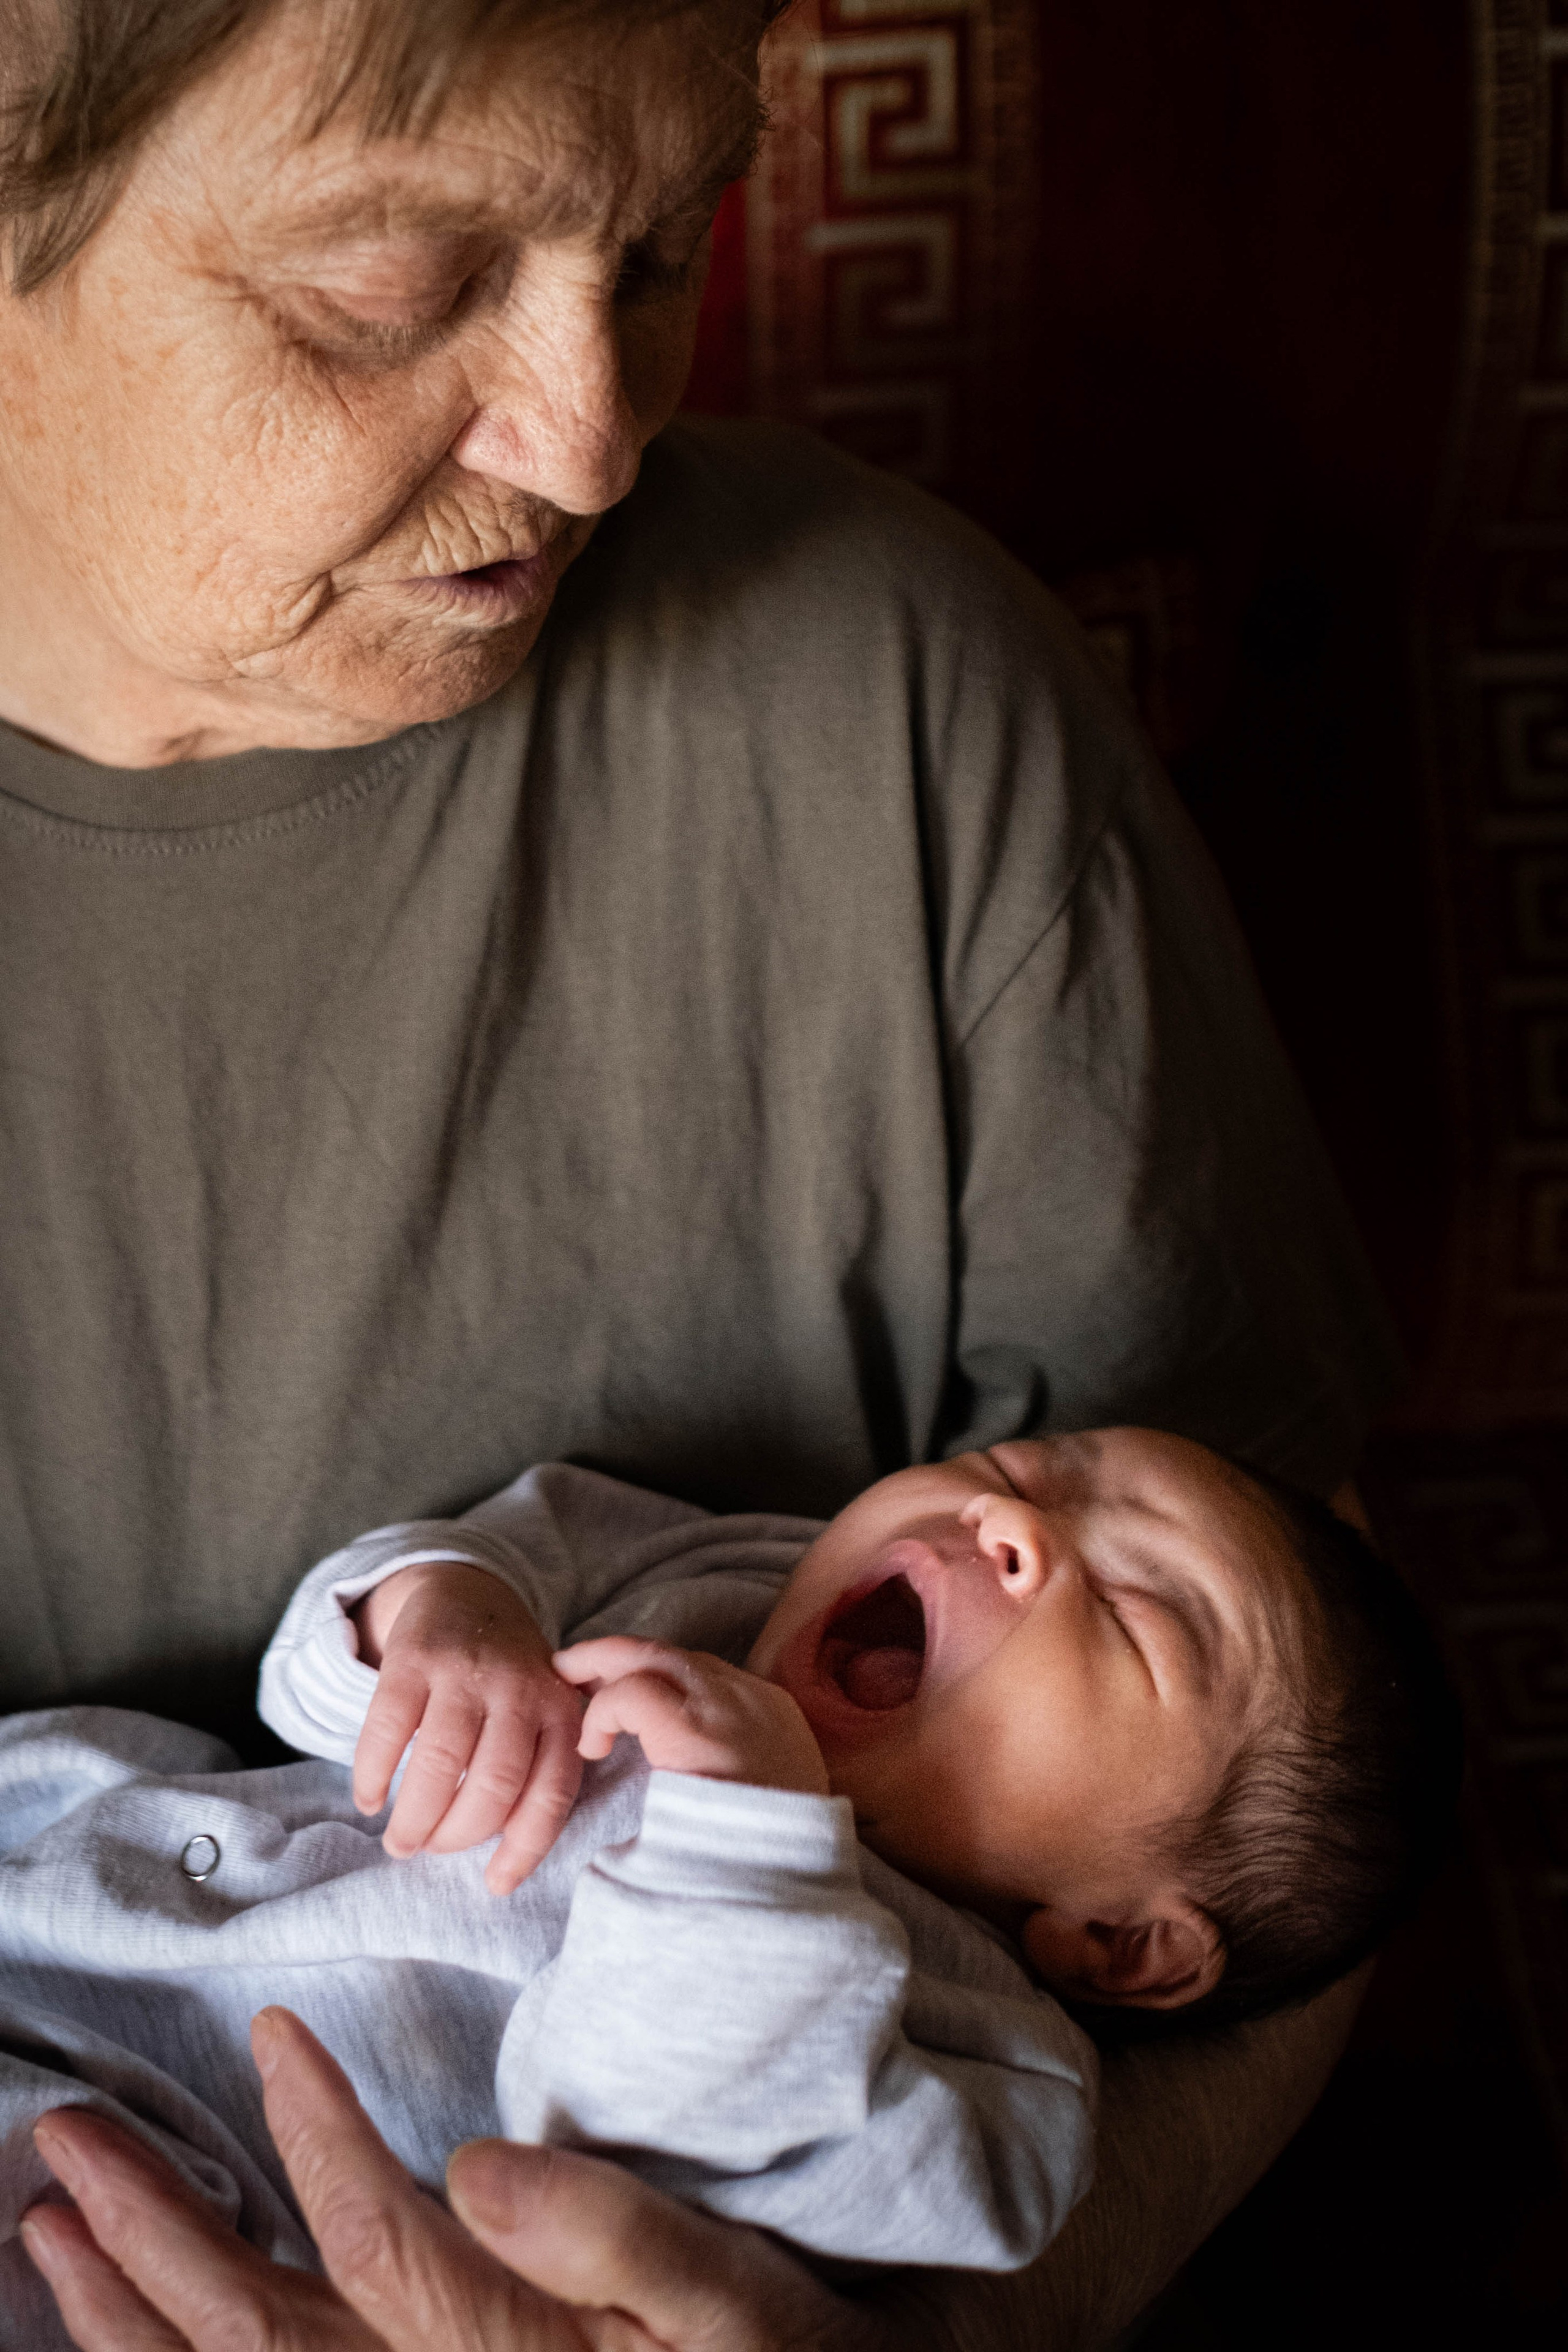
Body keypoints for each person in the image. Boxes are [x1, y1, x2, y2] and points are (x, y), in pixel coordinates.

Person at [0, 0, 1406, 2342]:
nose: (588, 439)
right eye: (394, 279)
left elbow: (1275, 1827)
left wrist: (900, 2329)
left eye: (664, 240)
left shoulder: (897, 690)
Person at [4, 1433, 1457, 2346]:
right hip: (75, 1859)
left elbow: (625, 2147)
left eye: (1135, 1618)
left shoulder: (990, 2081)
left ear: (1123, 1940)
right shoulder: (724, 1571)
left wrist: (744, 1840)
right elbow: (351, 1648)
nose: (1012, 1522)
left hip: (161, 2183)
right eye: (1029, 1468)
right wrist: (448, 1619)